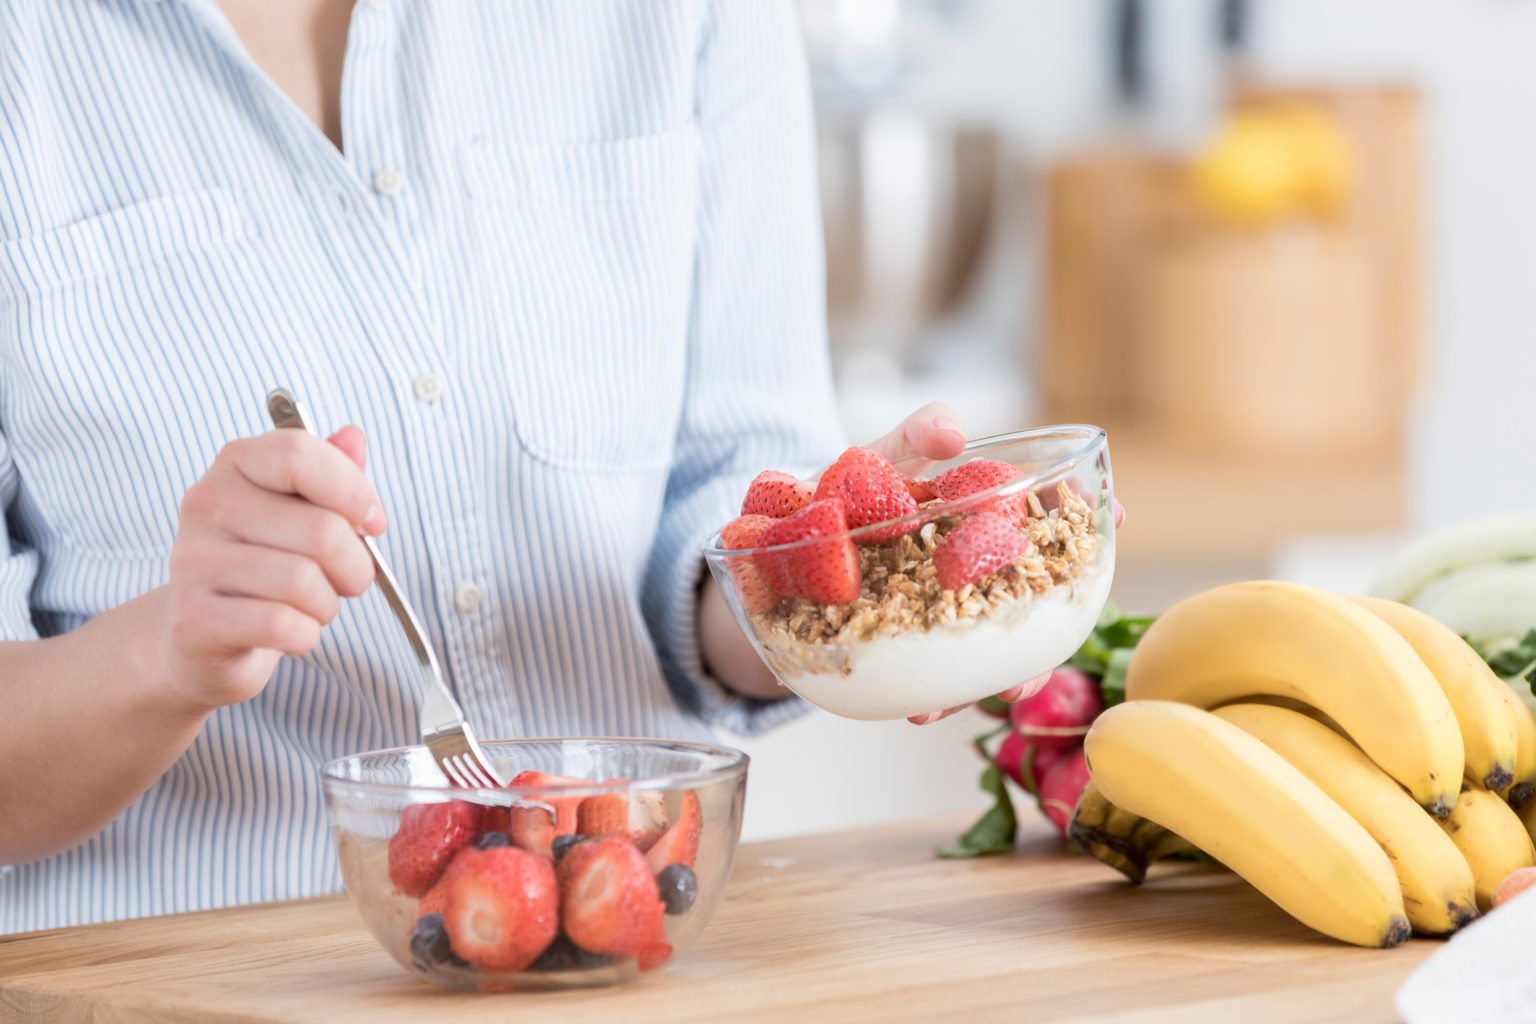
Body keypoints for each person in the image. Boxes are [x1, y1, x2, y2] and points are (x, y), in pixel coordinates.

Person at [0, 0, 1063, 933]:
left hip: (628, 946)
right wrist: (170, 654)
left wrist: (828, 581)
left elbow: (729, 495)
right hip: (181, 981)